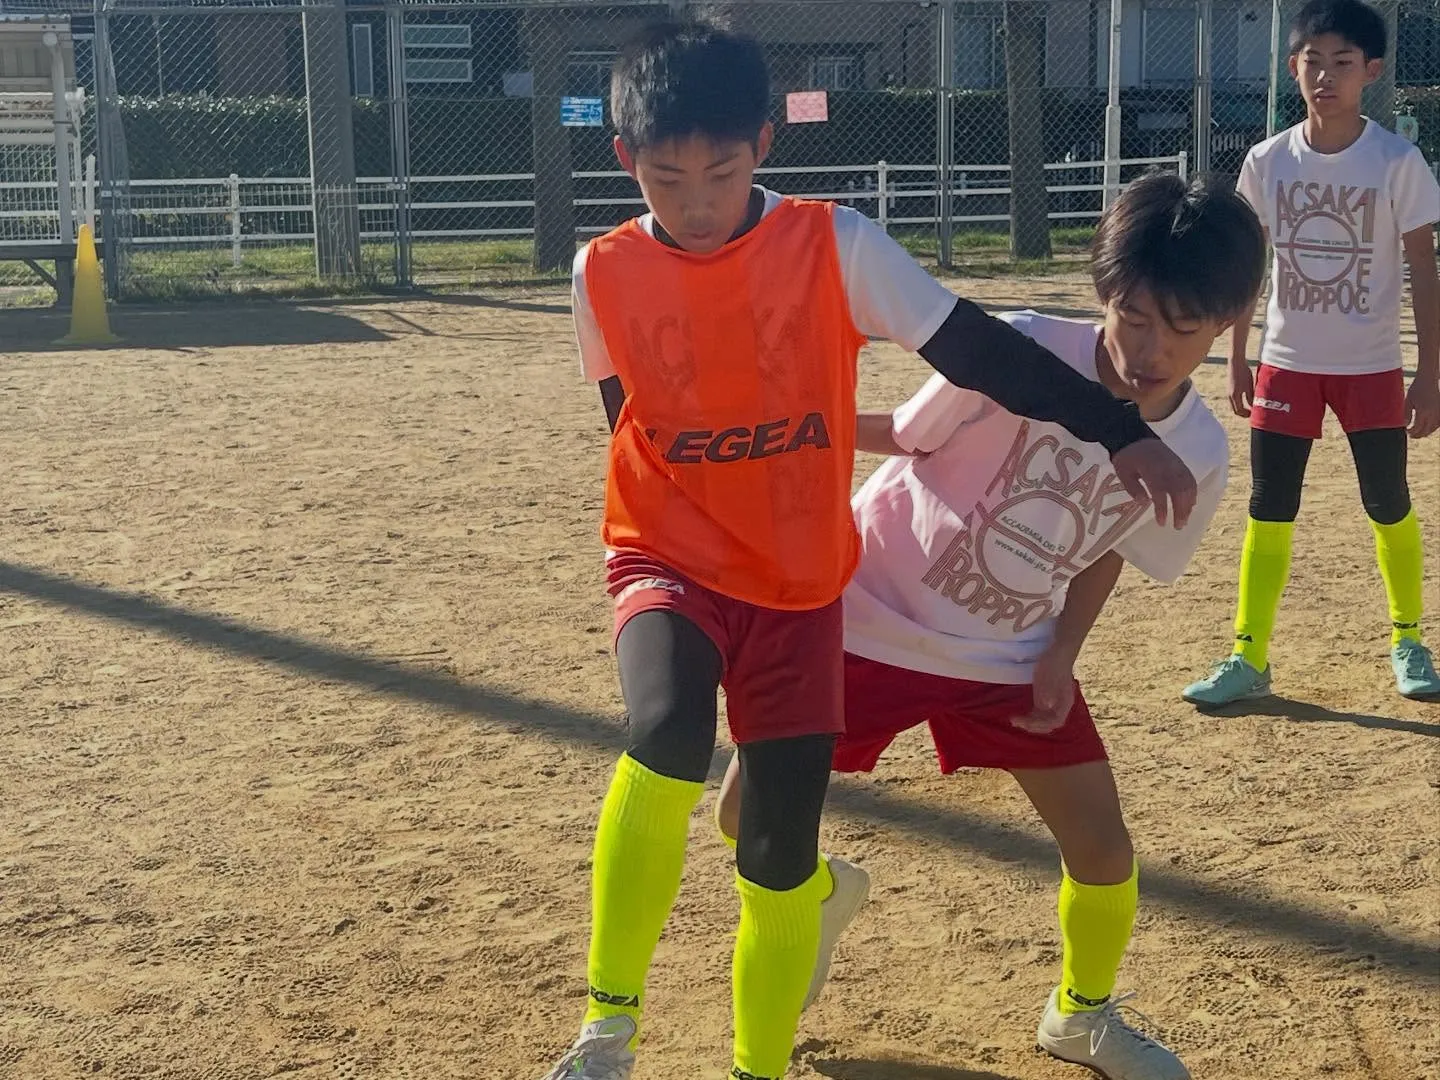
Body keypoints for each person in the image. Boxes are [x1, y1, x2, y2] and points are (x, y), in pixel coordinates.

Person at [542, 20, 1199, 1080]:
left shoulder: (834, 246)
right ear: (626, 160)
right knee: (664, 731)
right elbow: (625, 411)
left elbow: (976, 347)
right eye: (668, 177)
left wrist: (1120, 428)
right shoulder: (601, 269)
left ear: (764, 143)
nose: (698, 202)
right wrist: (677, 514)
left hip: (804, 585)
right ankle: (607, 1028)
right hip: (665, 552)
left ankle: (759, 1066)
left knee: (776, 854)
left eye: (721, 171)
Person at [713, 171, 1266, 1080]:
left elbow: (1109, 547)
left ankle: (1081, 1016)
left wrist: (1061, 651)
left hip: (1006, 657)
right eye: (1134, 315)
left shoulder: (1198, 453)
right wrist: (785, 429)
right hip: (860, 617)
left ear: (1229, 320)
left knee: (1103, 846)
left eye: (1184, 327)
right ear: (1104, 294)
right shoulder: (1017, 350)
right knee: (743, 816)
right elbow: (905, 432)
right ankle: (818, 893)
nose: (1151, 347)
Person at [1183, 0, 1440, 706]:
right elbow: (1248, 264)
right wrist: (1238, 356)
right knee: (1269, 506)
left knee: (1388, 501)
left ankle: (1409, 639)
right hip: (1287, 362)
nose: (1325, 75)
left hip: (1372, 368)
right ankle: (1248, 655)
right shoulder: (1268, 161)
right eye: (1312, 60)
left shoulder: (1397, 161)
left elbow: (1424, 266)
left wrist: (1431, 374)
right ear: (1293, 66)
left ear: (1372, 71)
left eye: (1343, 62)